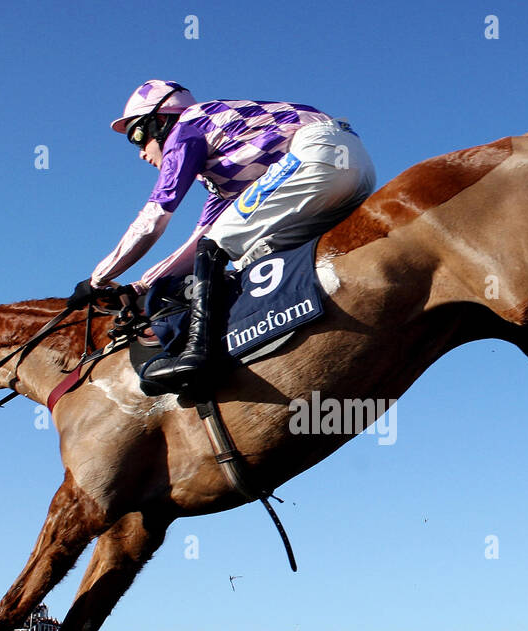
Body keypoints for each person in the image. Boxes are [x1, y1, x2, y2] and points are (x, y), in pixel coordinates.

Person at [70, 79, 376, 396]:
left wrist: (98, 278)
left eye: (138, 135)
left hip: (319, 154)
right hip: (354, 167)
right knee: (248, 254)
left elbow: (155, 218)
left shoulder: (186, 127)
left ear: (161, 121)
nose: (141, 152)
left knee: (218, 245)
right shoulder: (223, 166)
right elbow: (199, 239)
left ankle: (197, 353)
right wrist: (142, 286)